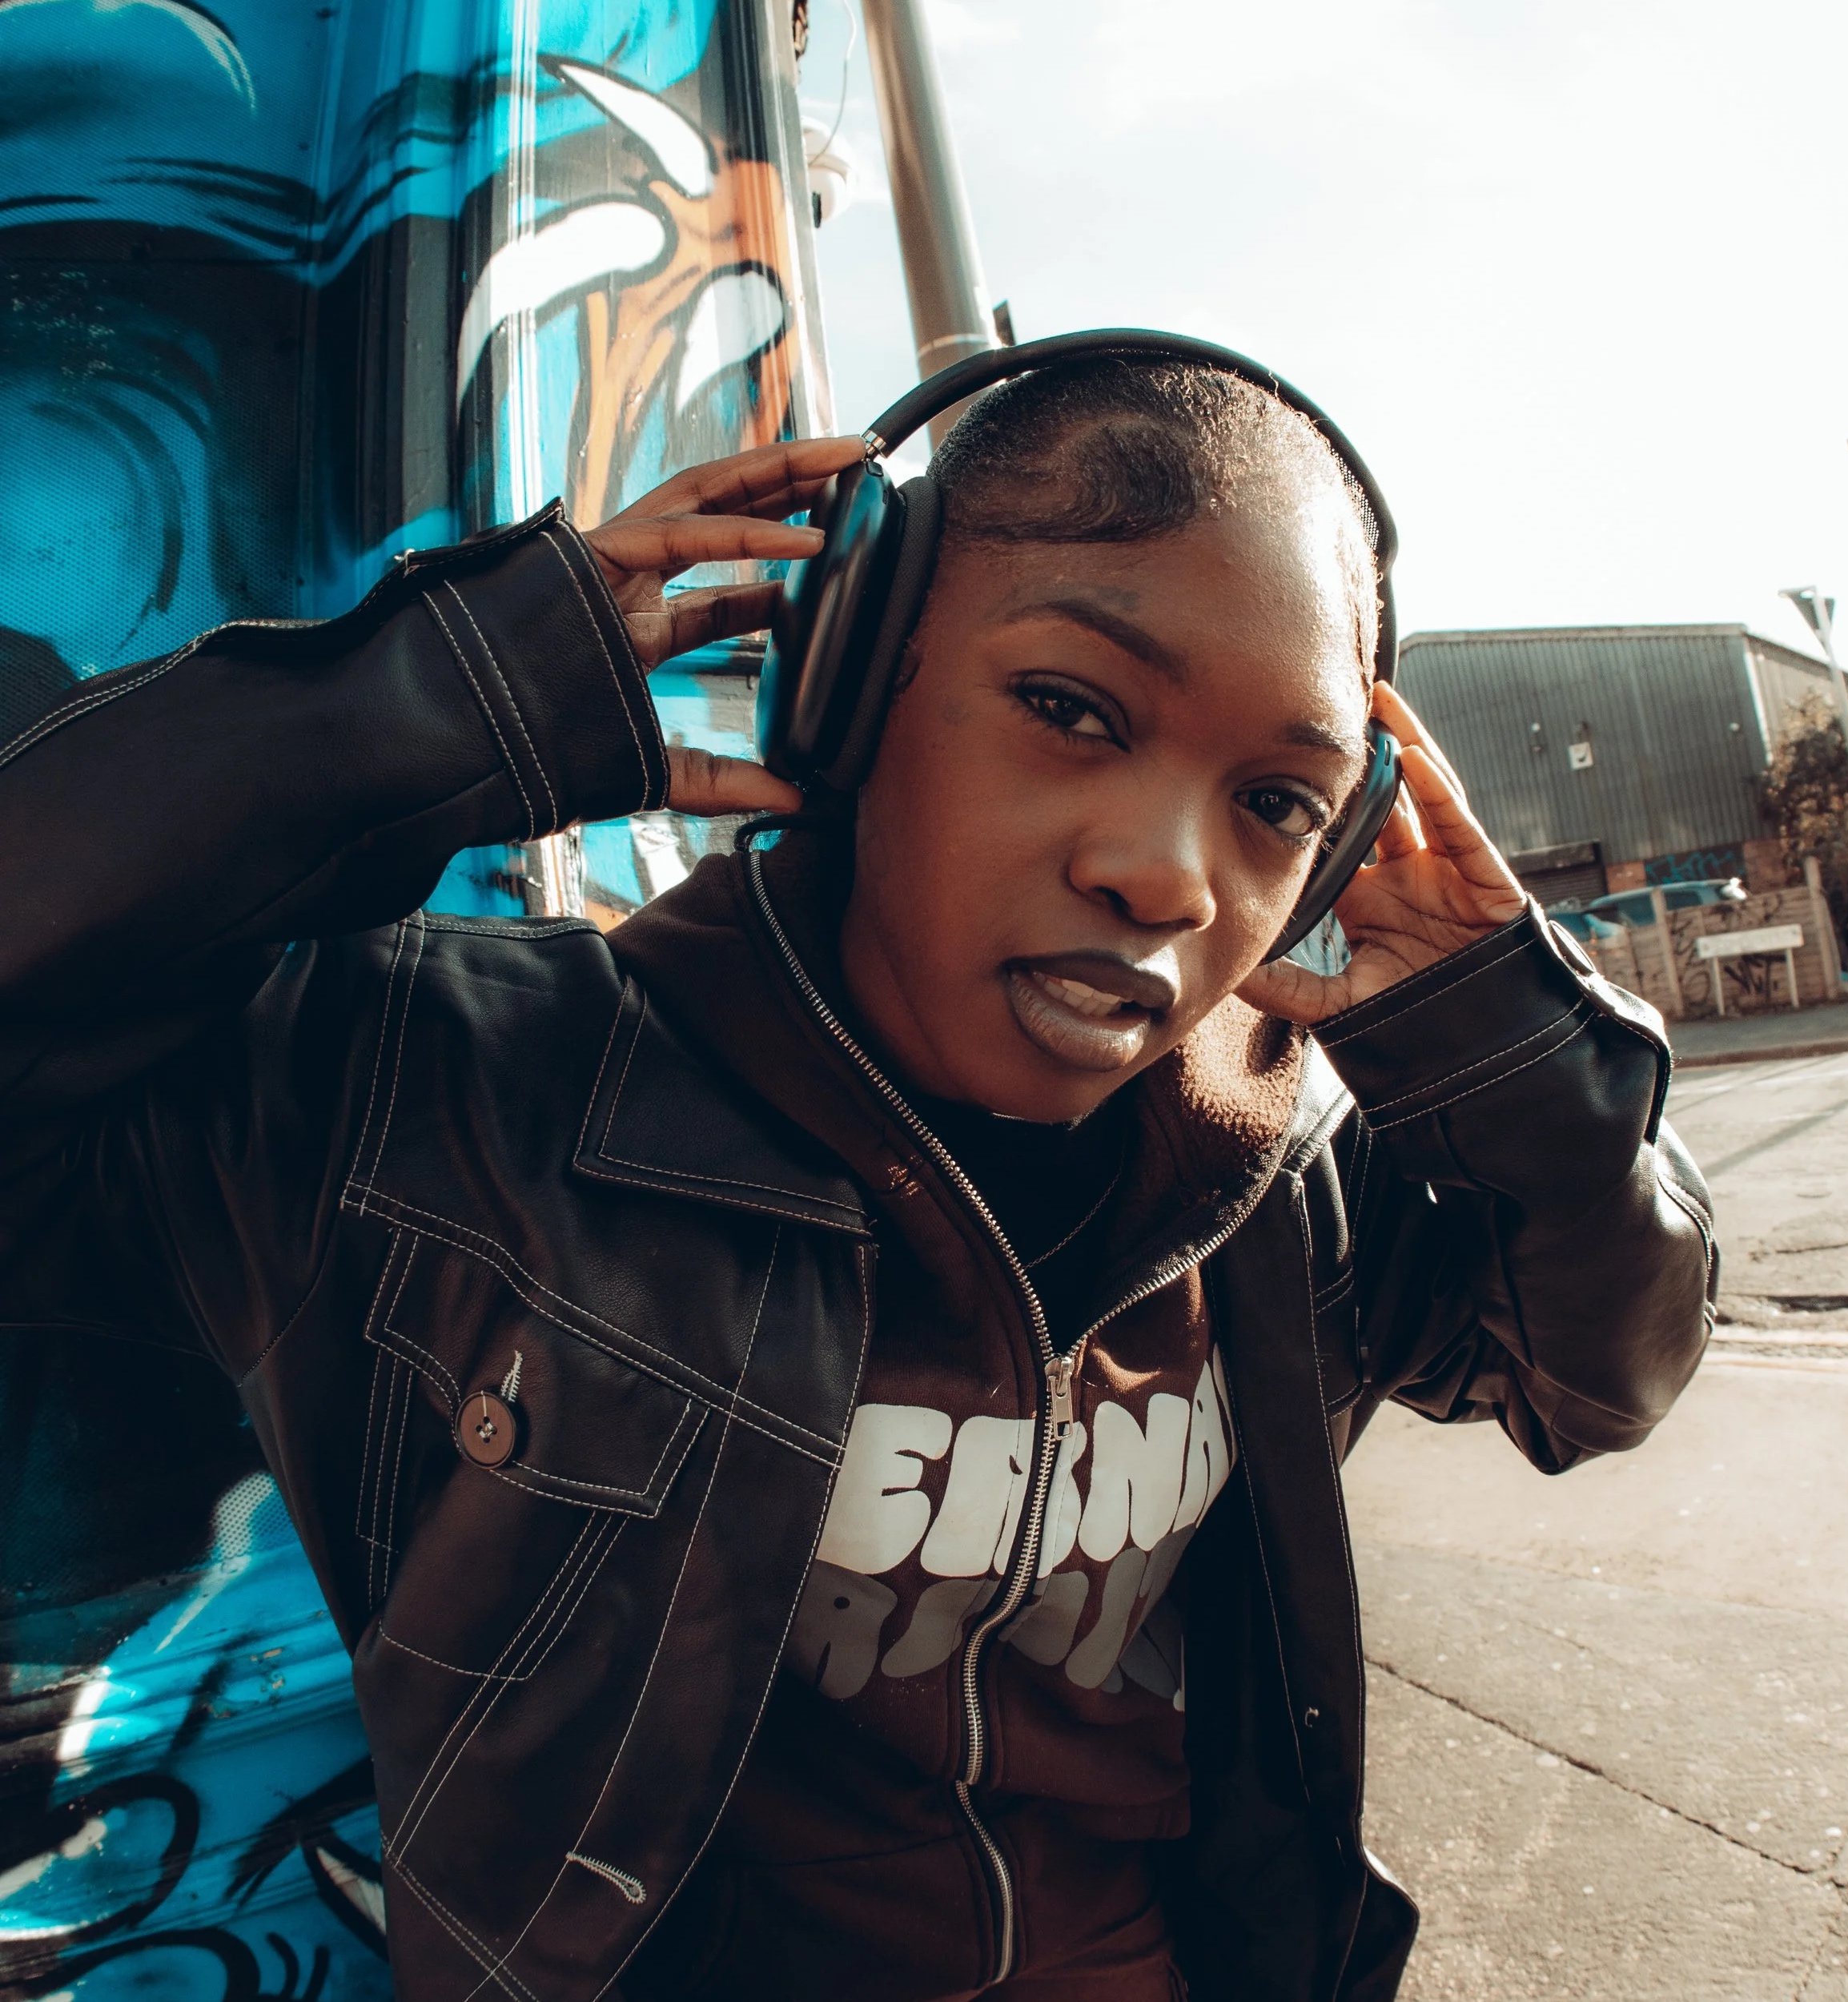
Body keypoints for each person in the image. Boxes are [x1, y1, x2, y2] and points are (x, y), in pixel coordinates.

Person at [0, 356, 1715, 2002]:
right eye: (1067, 708)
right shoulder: (459, 1097)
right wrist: (463, 697)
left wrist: (1512, 1048)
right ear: (849, 678)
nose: (1164, 874)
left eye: (1274, 800)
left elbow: (1597, 1369)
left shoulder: (1276, 1168)